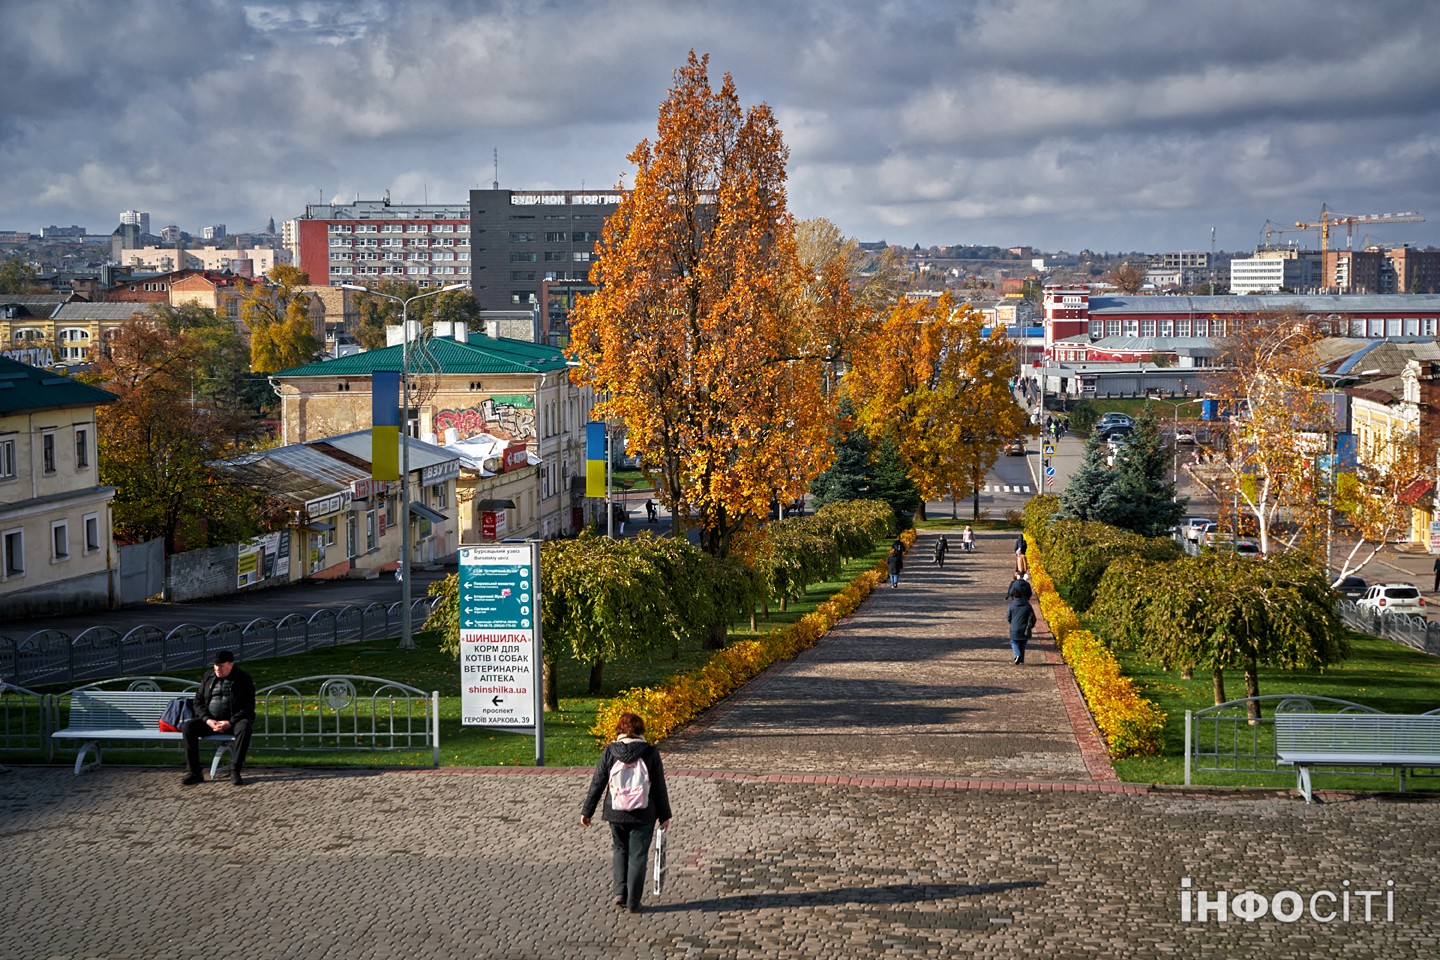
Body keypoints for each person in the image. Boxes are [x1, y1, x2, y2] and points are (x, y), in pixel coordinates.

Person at [580, 712, 672, 914]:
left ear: (619, 730)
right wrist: (665, 815)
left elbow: (598, 783)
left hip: (616, 811)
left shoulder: (610, 751)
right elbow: (659, 786)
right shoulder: (650, 752)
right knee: (638, 856)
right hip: (644, 812)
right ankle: (633, 901)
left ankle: (619, 893)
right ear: (641, 730)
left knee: (620, 850)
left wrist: (587, 811)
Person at [182, 650, 255, 786]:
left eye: (220, 665)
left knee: (245, 727)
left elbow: (248, 706)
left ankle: (235, 771)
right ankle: (194, 772)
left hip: (234, 722)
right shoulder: (208, 677)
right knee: (188, 727)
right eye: (215, 665)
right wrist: (207, 720)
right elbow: (197, 702)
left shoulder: (243, 678)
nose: (217, 668)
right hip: (211, 722)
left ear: (230, 664)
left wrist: (230, 722)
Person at [1007, 595, 1036, 665]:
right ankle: (1021, 660)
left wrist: (1012, 622)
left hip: (1014, 627)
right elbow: (1033, 617)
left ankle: (1017, 655)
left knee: (1014, 642)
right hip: (1025, 628)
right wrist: (1031, 626)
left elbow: (1008, 616)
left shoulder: (1011, 605)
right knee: (1023, 644)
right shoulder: (1027, 605)